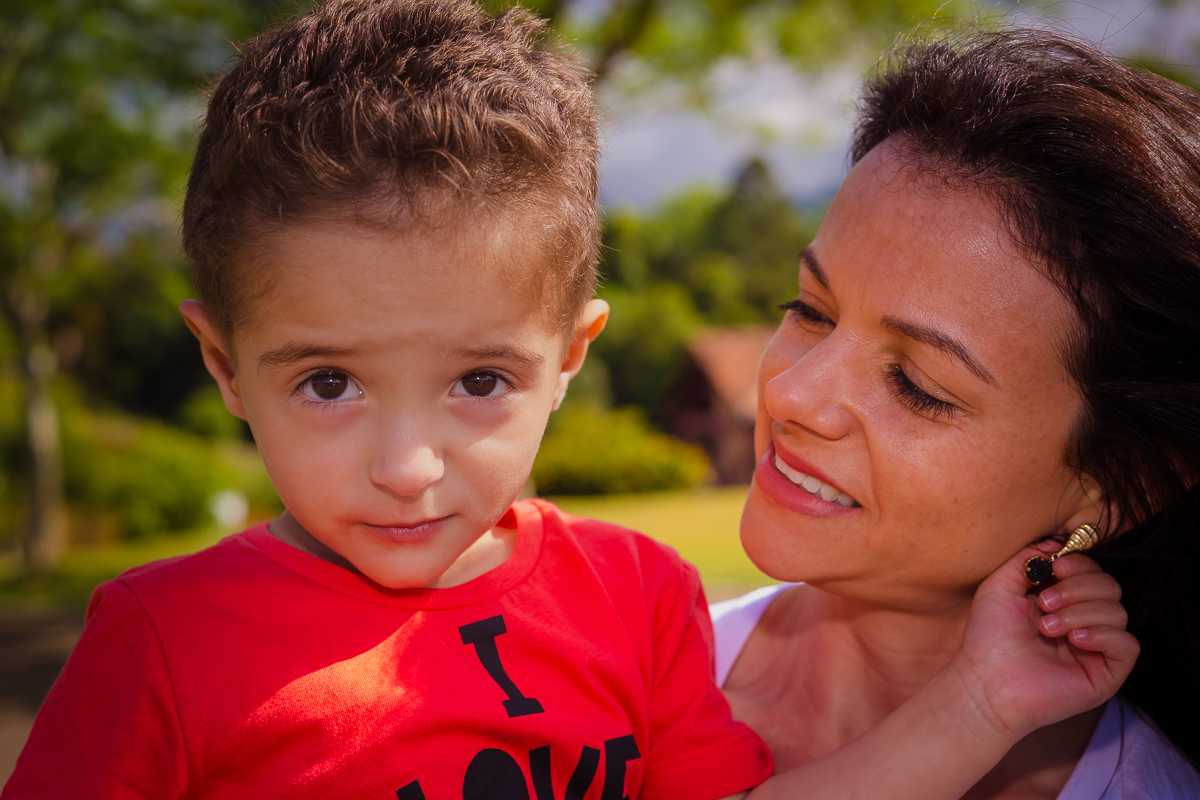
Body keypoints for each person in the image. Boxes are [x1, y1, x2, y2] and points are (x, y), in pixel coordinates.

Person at [2, 5, 1135, 798]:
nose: (408, 465)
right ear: (222, 363)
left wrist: (980, 704)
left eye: (479, 381)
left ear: (569, 357)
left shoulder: (639, 598)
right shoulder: (159, 642)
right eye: (328, 383)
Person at [713, 28, 1200, 800]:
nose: (788, 395)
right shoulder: (585, 680)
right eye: (810, 310)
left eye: (916, 385)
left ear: (1122, 487)